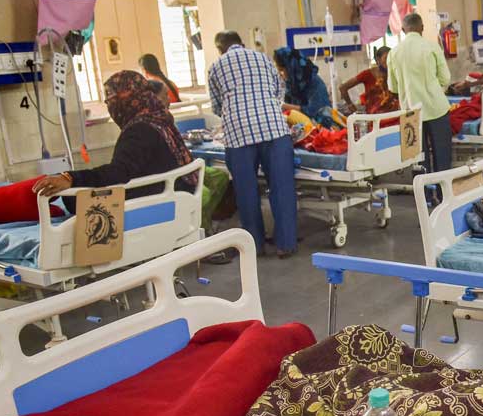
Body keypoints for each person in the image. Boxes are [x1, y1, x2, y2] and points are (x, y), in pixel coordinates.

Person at [28, 71, 197, 212]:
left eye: (110, 100)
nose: (109, 106)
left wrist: (71, 178)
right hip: (176, 195)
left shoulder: (139, 130)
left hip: (154, 201)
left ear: (126, 100)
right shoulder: (160, 119)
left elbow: (118, 173)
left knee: (73, 198)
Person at [208, 30, 297, 258]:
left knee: (246, 192)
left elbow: (217, 106)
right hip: (274, 129)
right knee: (282, 188)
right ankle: (285, 244)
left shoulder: (216, 67)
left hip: (239, 135)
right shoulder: (263, 58)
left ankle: (254, 246)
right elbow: (278, 91)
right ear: (242, 42)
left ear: (220, 49)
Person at [389, 12, 453, 203]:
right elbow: (445, 79)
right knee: (442, 155)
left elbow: (393, 87)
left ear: (403, 29)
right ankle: (444, 196)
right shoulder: (432, 47)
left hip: (410, 113)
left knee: (418, 158)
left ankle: (424, 198)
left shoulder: (394, 53)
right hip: (436, 109)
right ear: (422, 27)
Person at [273, 47, 335, 128]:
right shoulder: (292, 84)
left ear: (292, 67)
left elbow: (316, 111)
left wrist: (284, 106)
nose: (280, 74)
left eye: (282, 70)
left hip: (322, 127)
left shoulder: (314, 82)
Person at [338, 46, 399, 115]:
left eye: (391, 58)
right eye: (386, 58)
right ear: (378, 60)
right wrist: (350, 104)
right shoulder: (367, 74)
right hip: (374, 117)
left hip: (394, 115)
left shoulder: (395, 74)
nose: (389, 61)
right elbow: (343, 88)